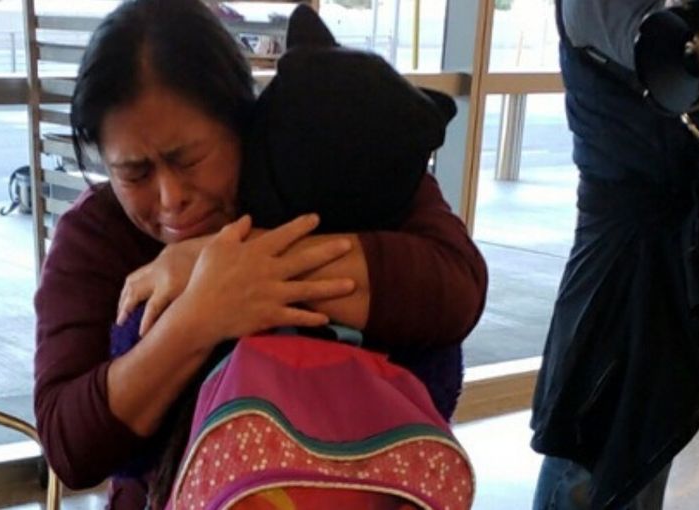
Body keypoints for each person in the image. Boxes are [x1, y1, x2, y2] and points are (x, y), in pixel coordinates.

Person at [33, 1, 487, 509]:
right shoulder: (96, 234)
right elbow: (70, 444)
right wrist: (198, 316)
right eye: (134, 173)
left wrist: (221, 261)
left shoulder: (321, 161)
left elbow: (456, 288)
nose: (170, 198)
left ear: (242, 121)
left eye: (189, 160)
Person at [530, 1, 699, 509]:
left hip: (670, 249)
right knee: (595, 447)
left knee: (645, 448)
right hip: (623, 258)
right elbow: (672, 52)